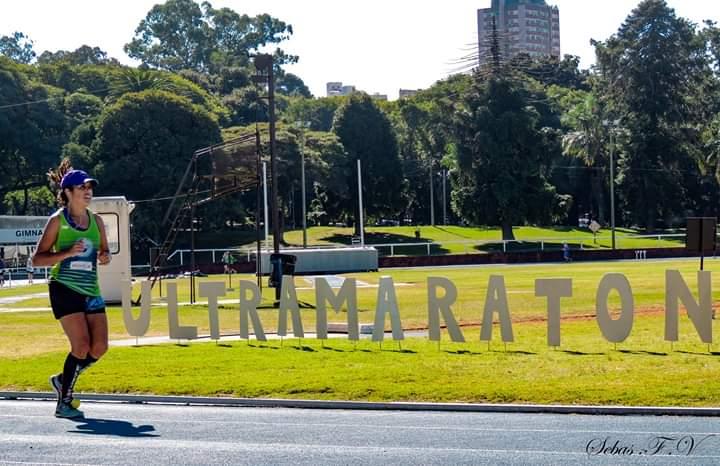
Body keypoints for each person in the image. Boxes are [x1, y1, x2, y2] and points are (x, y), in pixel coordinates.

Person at [33, 159, 111, 419]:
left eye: (90, 187)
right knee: (81, 346)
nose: (88, 191)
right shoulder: (57, 221)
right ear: (67, 192)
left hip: (91, 289)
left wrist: (104, 256)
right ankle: (63, 403)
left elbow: (104, 252)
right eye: (81, 187)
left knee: (99, 347)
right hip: (64, 287)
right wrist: (67, 253)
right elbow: (38, 259)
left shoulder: (96, 221)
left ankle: (62, 380)